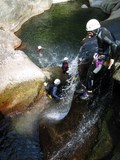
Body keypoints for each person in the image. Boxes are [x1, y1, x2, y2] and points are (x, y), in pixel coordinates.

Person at [81, 19, 118, 100]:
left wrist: (112, 59)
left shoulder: (103, 33)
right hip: (101, 55)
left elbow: (114, 45)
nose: (88, 34)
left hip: (104, 58)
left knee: (91, 73)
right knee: (91, 71)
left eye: (90, 32)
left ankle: (89, 92)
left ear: (94, 29)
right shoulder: (100, 32)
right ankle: (88, 87)